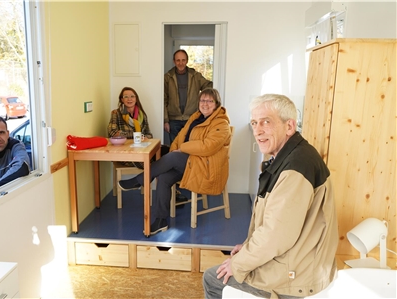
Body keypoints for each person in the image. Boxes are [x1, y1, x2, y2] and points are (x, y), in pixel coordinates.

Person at [202, 94, 338, 299]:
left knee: (213, 279)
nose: (258, 130)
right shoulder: (291, 157)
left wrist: (239, 263)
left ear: (289, 126)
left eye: (266, 122)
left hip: (298, 276)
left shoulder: (295, 169)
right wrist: (248, 247)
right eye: (254, 123)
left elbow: (276, 237)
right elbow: (276, 226)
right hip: (297, 259)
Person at [118, 88, 231, 235]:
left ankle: (140, 180)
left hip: (205, 166)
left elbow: (207, 147)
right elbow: (180, 135)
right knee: (163, 177)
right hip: (190, 163)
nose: (205, 104)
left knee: (172, 157)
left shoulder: (221, 124)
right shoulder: (196, 117)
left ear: (217, 104)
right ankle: (160, 220)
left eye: (210, 101)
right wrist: (175, 148)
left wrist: (181, 149)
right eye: (202, 100)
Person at [164, 49, 213, 144]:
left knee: (190, 148)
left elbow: (208, 86)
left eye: (183, 60)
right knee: (175, 148)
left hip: (192, 118)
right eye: (178, 60)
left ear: (187, 60)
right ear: (174, 61)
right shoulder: (167, 77)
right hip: (173, 120)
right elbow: (163, 99)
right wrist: (165, 120)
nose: (181, 63)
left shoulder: (195, 76)